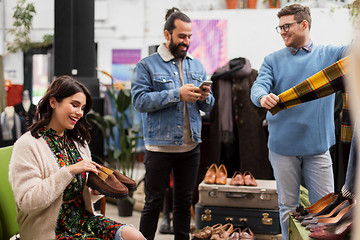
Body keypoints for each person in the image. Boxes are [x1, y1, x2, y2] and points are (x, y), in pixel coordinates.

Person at [250, 4, 346, 240]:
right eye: (279, 27)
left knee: (325, 209)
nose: (282, 31)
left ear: (304, 24)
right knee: (288, 207)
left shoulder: (329, 55)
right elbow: (258, 87)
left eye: (286, 26)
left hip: (318, 148)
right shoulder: (272, 60)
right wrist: (263, 96)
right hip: (283, 149)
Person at [8, 75, 145, 240]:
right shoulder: (28, 145)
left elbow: (79, 195)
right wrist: (69, 171)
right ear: (53, 102)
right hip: (48, 230)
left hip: (83, 221)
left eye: (83, 108)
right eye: (74, 105)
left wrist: (95, 191)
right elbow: (27, 202)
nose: (79, 113)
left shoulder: (78, 143)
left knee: (135, 236)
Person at [131, 7, 215, 240]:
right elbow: (139, 101)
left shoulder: (196, 66)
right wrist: (176, 93)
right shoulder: (147, 65)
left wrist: (206, 97)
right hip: (159, 148)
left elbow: (208, 107)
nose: (186, 41)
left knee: (183, 203)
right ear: (167, 35)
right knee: (153, 204)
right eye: (181, 36)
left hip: (190, 147)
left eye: (189, 37)